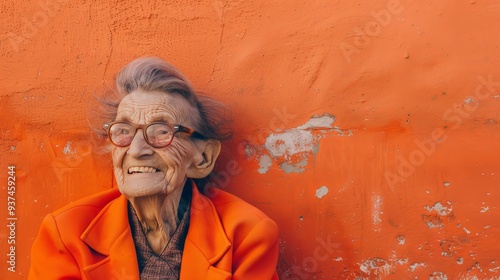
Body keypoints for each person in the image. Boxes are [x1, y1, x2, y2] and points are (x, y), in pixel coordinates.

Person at [28, 57, 279, 279]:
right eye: (124, 131)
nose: (137, 150)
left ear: (202, 158)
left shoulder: (246, 235)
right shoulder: (66, 234)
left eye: (162, 131)